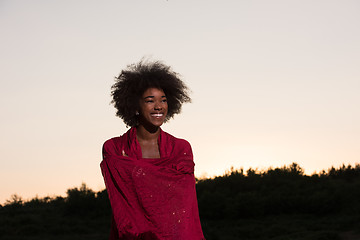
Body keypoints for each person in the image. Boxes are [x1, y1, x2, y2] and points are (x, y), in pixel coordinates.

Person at [100, 59, 205, 240]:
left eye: (163, 100)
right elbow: (125, 206)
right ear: (134, 106)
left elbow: (184, 208)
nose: (159, 106)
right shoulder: (115, 148)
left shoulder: (181, 148)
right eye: (150, 100)